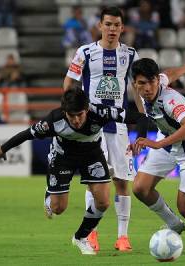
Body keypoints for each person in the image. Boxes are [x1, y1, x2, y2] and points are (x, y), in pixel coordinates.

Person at [0, 89, 147, 255]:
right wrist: (3, 149)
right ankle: (49, 196)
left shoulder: (102, 112)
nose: (76, 120)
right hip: (62, 158)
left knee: (103, 202)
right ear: (64, 112)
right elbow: (27, 134)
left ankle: (80, 237)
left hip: (91, 155)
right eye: (71, 115)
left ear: (87, 109)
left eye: (80, 115)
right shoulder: (53, 120)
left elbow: (140, 118)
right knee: (58, 208)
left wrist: (141, 137)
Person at [63, 6, 143, 252]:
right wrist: (69, 109)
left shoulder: (130, 55)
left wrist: (142, 126)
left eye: (116, 25)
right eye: (107, 24)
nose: (111, 29)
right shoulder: (85, 52)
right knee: (94, 182)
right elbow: (69, 81)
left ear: (122, 28)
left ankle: (123, 237)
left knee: (122, 181)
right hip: (92, 130)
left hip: (118, 128)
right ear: (100, 26)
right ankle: (91, 234)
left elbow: (138, 90)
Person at [130, 55, 185, 255]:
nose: (149, 88)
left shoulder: (171, 99)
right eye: (142, 83)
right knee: (140, 188)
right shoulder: (149, 86)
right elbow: (168, 74)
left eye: (152, 82)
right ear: (135, 83)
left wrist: (158, 143)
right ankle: (174, 224)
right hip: (169, 142)